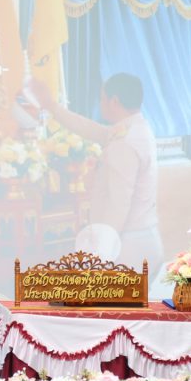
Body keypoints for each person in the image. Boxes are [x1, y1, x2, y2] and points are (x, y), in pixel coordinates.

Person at [28, 73, 163, 271]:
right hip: (138, 237)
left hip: (127, 245)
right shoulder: (135, 128)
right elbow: (91, 129)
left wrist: (102, 253)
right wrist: (52, 106)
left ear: (114, 101)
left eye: (102, 98)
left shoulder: (125, 141)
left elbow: (119, 203)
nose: (100, 104)